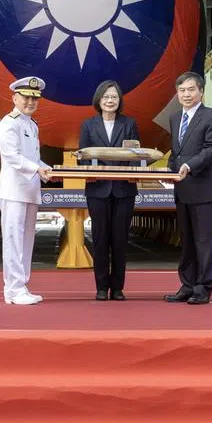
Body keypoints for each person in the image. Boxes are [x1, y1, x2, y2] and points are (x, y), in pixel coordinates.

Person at [163, 71, 212, 305]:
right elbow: (176, 151)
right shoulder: (175, 118)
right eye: (182, 90)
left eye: (191, 89)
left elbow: (211, 149)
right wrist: (169, 170)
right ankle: (187, 285)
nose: (186, 94)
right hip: (182, 190)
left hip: (202, 189)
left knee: (204, 242)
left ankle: (203, 288)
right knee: (187, 241)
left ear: (201, 91)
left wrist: (189, 166)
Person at [78, 80, 139, 301]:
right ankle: (102, 287)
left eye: (114, 97)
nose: (110, 101)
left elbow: (135, 154)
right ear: (99, 100)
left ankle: (118, 288)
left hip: (124, 190)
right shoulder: (88, 125)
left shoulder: (129, 123)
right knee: (100, 239)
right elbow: (82, 156)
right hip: (98, 189)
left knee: (120, 240)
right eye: (106, 97)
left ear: (119, 100)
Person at [0, 76, 52, 305]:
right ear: (14, 98)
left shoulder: (31, 124)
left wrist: (48, 169)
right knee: (13, 241)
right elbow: (12, 156)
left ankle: (21, 286)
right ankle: (13, 288)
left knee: (26, 240)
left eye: (34, 98)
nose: (30, 102)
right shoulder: (9, 123)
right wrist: (38, 169)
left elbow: (34, 158)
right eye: (26, 97)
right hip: (13, 191)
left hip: (29, 190)